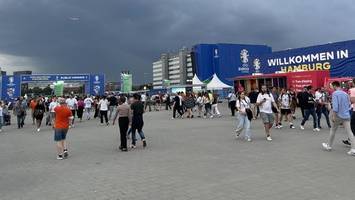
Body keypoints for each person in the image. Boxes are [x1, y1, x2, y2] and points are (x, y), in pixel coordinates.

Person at [322, 81, 355, 156]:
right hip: (346, 115)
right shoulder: (345, 93)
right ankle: (353, 149)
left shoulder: (335, 93)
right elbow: (349, 104)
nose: (331, 87)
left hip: (338, 115)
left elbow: (335, 107)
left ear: (334, 86)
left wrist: (333, 116)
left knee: (333, 130)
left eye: (331, 86)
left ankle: (329, 146)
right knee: (350, 132)